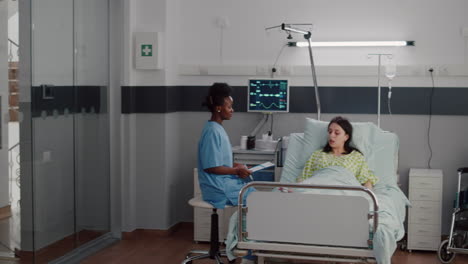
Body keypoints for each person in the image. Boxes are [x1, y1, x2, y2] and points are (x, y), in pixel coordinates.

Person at [197, 82, 254, 209]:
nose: (232, 110)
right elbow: (211, 167)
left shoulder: (218, 128)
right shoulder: (212, 132)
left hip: (224, 182)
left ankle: (246, 228)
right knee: (256, 199)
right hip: (217, 188)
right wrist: (236, 171)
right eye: (229, 107)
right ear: (218, 108)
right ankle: (245, 229)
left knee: (255, 194)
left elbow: (220, 162)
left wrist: (238, 166)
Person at [298, 116, 378, 189]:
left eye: (337, 133)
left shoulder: (356, 157)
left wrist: (367, 197)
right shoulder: (318, 154)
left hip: (345, 192)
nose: (331, 135)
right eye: (330, 132)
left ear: (346, 137)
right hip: (319, 191)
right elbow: (304, 178)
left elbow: (366, 181)